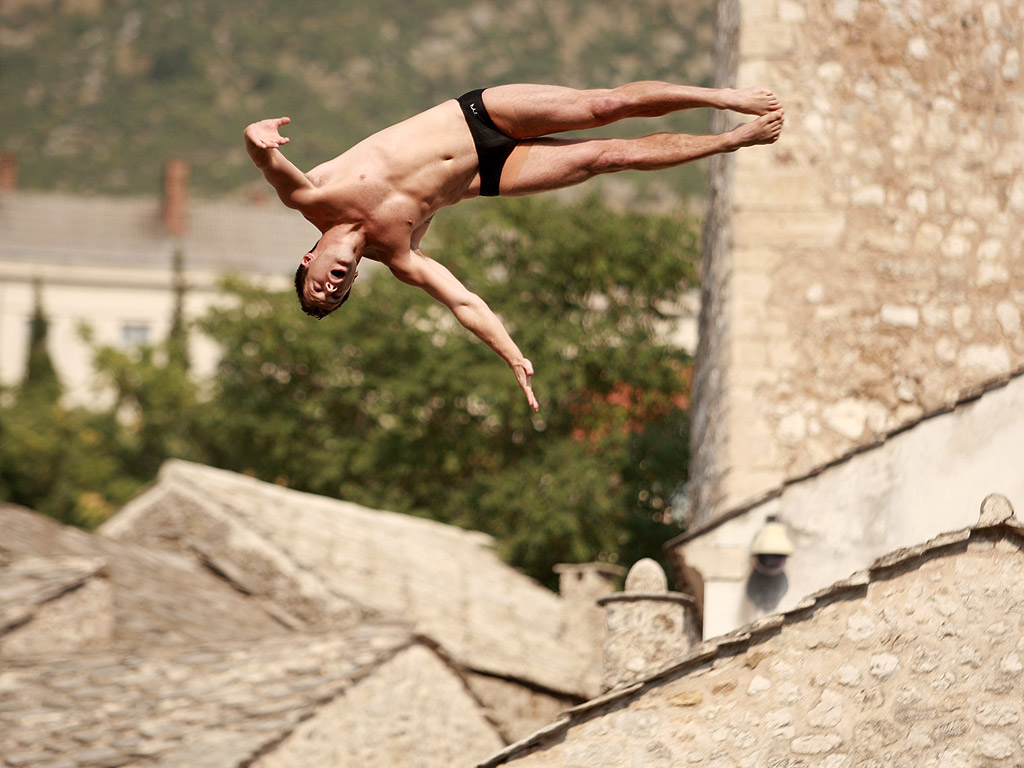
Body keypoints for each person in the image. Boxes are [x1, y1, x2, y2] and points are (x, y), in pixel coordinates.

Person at [244, 81, 784, 411]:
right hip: (490, 173)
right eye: (336, 297)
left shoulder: (311, 197)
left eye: (320, 286)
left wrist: (259, 133)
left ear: (309, 258)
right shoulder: (398, 254)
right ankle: (733, 139)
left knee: (605, 105)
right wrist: (514, 356)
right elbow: (464, 303)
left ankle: (723, 97)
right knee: (608, 157)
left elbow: (264, 156)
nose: (333, 287)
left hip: (478, 117)